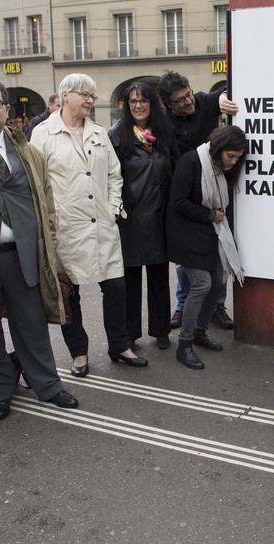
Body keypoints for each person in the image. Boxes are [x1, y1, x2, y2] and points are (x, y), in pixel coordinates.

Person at [0, 78, 79, 421]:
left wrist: (50, 246)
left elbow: (46, 203)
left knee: (32, 324)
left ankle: (48, 385)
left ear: (8, 109)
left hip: (23, 255)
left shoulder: (26, 150)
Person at [30, 73, 147, 374]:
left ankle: (120, 346)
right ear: (65, 95)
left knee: (116, 288)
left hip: (103, 225)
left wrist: (111, 208)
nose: (90, 101)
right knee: (70, 294)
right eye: (84, 94)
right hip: (66, 228)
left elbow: (114, 175)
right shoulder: (43, 134)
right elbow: (35, 184)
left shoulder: (99, 133)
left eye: (92, 96)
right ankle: (78, 353)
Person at [158, 70, 239, 332]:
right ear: (168, 105)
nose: (188, 101)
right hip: (184, 190)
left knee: (218, 251)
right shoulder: (162, 122)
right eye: (180, 100)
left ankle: (217, 306)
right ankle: (183, 306)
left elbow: (223, 94)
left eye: (188, 94)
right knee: (187, 258)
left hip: (213, 187)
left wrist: (225, 97)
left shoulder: (203, 101)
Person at [166, 126, 247, 369]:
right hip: (187, 233)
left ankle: (200, 331)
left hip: (210, 233)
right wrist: (210, 214)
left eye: (238, 158)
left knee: (219, 283)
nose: (234, 162)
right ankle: (185, 344)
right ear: (218, 149)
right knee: (202, 284)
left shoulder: (220, 168)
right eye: (230, 156)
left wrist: (213, 218)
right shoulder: (191, 162)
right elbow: (178, 202)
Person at [109, 83, 179, 351]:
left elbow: (173, 166)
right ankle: (130, 334)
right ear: (127, 105)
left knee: (160, 277)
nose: (138, 106)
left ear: (152, 103)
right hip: (130, 217)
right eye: (133, 101)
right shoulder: (117, 135)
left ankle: (161, 330)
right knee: (130, 280)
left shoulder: (163, 132)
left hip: (160, 215)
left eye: (143, 101)